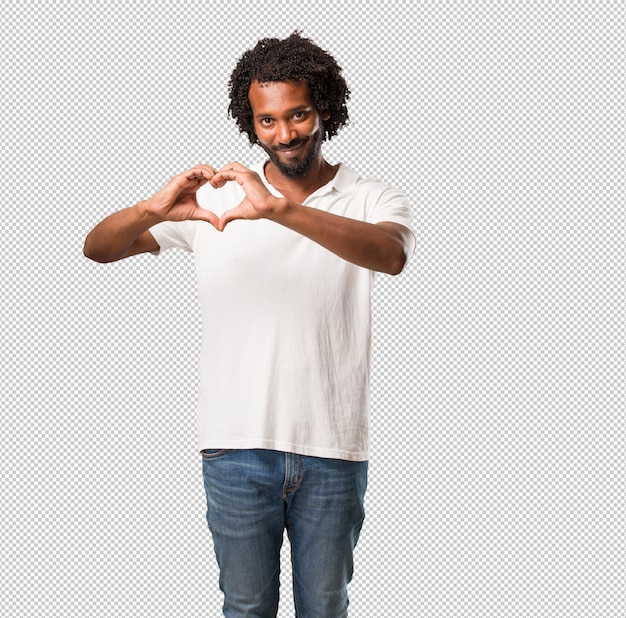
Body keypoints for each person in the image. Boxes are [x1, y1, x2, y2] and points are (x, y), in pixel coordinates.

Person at [83, 31, 415, 618]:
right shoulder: (216, 201)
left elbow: (390, 256)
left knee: (326, 607)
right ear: (250, 121)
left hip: (332, 446)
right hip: (235, 448)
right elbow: (98, 249)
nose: (285, 134)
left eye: (299, 115)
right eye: (268, 121)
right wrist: (151, 210)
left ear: (326, 110)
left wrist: (281, 210)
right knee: (245, 608)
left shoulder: (370, 196)